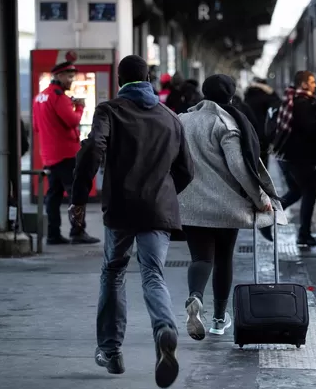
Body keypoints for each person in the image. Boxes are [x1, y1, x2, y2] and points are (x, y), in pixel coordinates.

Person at [68, 55, 195, 388]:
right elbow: (187, 170)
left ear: (120, 80)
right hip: (157, 209)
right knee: (153, 273)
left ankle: (111, 352)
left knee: (114, 271)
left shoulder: (109, 110)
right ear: (149, 77)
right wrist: (163, 192)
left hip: (121, 208)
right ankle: (165, 328)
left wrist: (80, 197)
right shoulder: (170, 116)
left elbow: (94, 147)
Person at [176, 74, 286, 340]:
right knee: (224, 258)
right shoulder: (226, 123)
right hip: (225, 206)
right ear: (230, 95)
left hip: (190, 204)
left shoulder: (182, 120)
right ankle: (217, 320)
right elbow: (240, 167)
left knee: (201, 258)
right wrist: (261, 200)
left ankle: (195, 296)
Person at [266, 70, 316, 246]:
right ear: (304, 84)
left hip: (289, 157)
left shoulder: (296, 100)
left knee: (296, 192)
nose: (314, 85)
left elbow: (302, 113)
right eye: (312, 82)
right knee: (309, 193)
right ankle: (303, 234)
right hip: (299, 158)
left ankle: (267, 217)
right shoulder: (302, 103)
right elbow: (310, 127)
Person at [32, 61, 99, 245]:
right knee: (76, 193)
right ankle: (77, 232)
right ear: (58, 76)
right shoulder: (58, 97)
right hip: (66, 154)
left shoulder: (39, 97)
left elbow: (37, 127)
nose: (71, 79)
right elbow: (72, 121)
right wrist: (80, 107)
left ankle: (53, 234)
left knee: (52, 196)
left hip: (49, 155)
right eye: (69, 76)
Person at [243, 77, 281, 168]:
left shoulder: (246, 97)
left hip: (248, 135)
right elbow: (278, 102)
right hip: (262, 136)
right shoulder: (266, 98)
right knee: (263, 166)